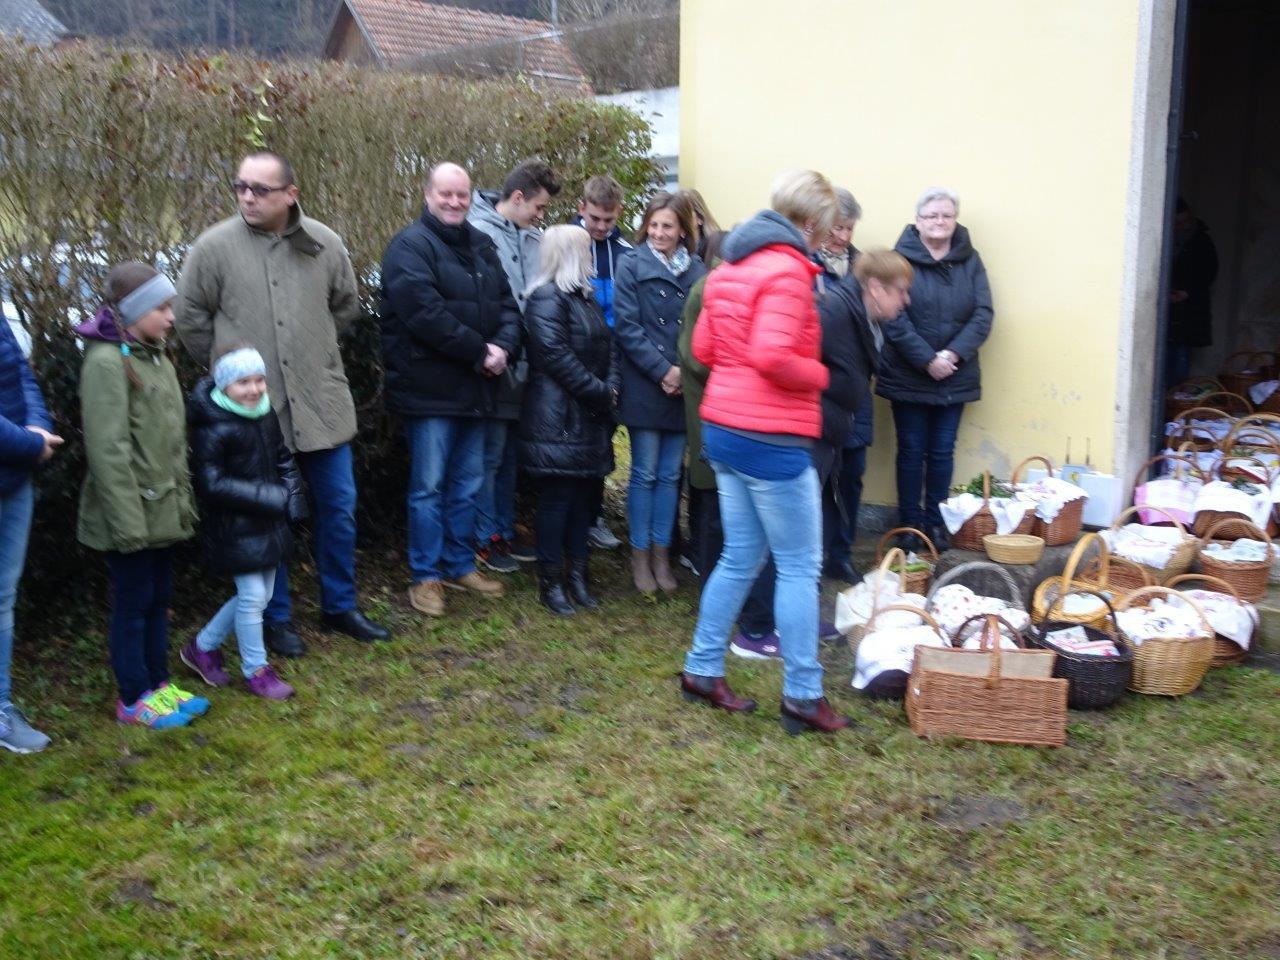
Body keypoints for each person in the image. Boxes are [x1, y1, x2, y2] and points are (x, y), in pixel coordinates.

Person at [176, 150, 390, 653]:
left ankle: (340, 606)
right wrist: (228, 371)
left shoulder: (324, 242)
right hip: (253, 412)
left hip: (320, 404)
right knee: (267, 516)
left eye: (260, 189)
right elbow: (189, 317)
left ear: (291, 194)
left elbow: (345, 304)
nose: (247, 197)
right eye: (240, 186)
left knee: (338, 507)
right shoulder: (213, 247)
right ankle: (276, 619)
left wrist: (313, 349)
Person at [680, 169, 851, 735]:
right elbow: (773, 357)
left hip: (725, 430)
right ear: (811, 222)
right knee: (800, 566)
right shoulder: (786, 272)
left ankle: (702, 668)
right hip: (770, 436)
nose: (826, 239)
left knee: (740, 557)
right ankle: (803, 693)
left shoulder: (730, 266)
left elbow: (704, 349)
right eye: (826, 228)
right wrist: (821, 375)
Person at [379, 161, 522, 618]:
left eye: (462, 194)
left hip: (477, 388)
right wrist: (480, 352)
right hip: (430, 391)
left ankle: (460, 564)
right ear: (428, 195)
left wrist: (503, 347)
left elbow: (508, 306)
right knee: (428, 488)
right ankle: (426, 575)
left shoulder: (481, 245)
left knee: (467, 484)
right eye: (446, 193)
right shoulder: (408, 247)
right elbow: (424, 315)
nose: (454, 202)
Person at [77, 262, 208, 729]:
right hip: (129, 515)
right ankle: (133, 697)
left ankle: (158, 684)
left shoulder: (156, 356)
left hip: (162, 508)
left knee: (158, 599)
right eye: (162, 308)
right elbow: (107, 449)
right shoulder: (106, 363)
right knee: (133, 605)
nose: (171, 317)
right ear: (134, 312)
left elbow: (169, 443)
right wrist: (128, 525)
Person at [181, 344, 306, 701]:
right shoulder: (212, 425)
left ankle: (202, 648)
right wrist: (269, 497)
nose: (253, 389)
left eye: (259, 380)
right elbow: (211, 482)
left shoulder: (265, 414)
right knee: (253, 596)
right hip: (234, 526)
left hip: (269, 521)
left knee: (258, 596)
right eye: (243, 382)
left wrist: (293, 497)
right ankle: (257, 671)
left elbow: (282, 457)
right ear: (224, 385)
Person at [878, 187, 993, 552]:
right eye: (932, 215)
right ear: (918, 221)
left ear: (955, 219)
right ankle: (909, 527)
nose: (939, 221)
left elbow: (983, 313)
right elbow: (893, 317)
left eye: (946, 215)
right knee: (911, 451)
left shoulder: (970, 260)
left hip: (954, 374)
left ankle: (936, 525)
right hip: (908, 373)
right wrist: (927, 359)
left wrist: (952, 355)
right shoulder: (899, 259)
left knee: (943, 452)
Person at [519, 226, 621, 615]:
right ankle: (551, 582)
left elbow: (610, 349)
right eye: (587, 251)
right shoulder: (546, 299)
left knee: (582, 501)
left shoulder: (585, 299)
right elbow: (555, 357)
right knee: (557, 501)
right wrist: (602, 391)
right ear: (570, 255)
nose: (593, 257)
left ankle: (578, 575)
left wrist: (610, 386)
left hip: (588, 416)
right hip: (557, 419)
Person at [468, 158, 562, 574]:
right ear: (518, 197)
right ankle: (483, 537)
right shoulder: (478, 232)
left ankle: (503, 528)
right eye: (539, 207)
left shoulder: (534, 238)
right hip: (494, 364)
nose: (541, 216)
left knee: (508, 454)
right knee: (488, 455)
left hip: (525, 367)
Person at [614, 190, 706, 596]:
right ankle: (640, 556)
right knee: (645, 473)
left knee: (670, 476)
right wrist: (662, 371)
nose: (658, 232)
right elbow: (627, 328)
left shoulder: (698, 270)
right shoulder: (630, 264)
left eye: (667, 226)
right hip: (646, 384)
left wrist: (683, 372)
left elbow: (704, 327)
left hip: (684, 385)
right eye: (653, 225)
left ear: (683, 229)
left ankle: (661, 554)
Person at [0, 314, 61, 752]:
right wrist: (30, 443)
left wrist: (39, 427)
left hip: (13, 480)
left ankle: (1, 708)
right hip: (19, 455)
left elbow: (20, 370)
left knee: (2, 598)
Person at [814, 188, 873, 583]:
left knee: (852, 474)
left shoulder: (862, 266)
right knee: (818, 478)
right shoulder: (807, 263)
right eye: (837, 228)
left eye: (849, 229)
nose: (843, 237)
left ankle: (842, 552)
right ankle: (815, 555)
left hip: (855, 388)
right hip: (818, 388)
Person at [573, 174, 632, 552]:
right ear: (582, 208)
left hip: (611, 364)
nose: (600, 226)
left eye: (608, 220)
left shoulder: (625, 253)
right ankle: (570, 518)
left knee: (601, 444)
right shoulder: (565, 243)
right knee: (571, 443)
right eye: (594, 218)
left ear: (618, 214)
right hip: (574, 362)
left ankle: (593, 517)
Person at [1165, 196, 1219, 390]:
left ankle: (1175, 399)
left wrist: (1188, 292)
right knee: (1163, 359)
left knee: (1180, 361)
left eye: (1186, 221)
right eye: (1178, 223)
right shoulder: (1164, 238)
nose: (1183, 226)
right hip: (1167, 308)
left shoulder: (1201, 240)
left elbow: (1209, 272)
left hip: (1188, 311)